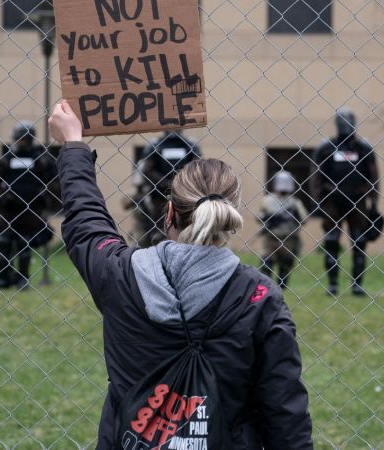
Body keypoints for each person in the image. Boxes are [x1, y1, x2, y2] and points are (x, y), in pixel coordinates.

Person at [50, 99, 312, 449]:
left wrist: (73, 145)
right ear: (227, 217)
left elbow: (87, 222)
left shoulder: (120, 275)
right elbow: (284, 413)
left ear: (169, 211)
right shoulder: (258, 296)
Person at [311, 108, 379, 297]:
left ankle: (357, 285)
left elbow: (373, 177)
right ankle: (333, 284)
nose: (346, 126)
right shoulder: (326, 147)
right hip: (333, 202)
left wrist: (374, 204)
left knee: (359, 242)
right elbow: (316, 178)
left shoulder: (364, 148)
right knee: (332, 241)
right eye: (343, 123)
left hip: (357, 201)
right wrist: (318, 202)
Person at [0, 122, 54, 289]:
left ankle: (22, 278)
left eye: (23, 139)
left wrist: (42, 197)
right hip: (8, 210)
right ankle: (2, 278)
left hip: (30, 209)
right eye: (18, 139)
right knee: (3, 243)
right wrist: (2, 198)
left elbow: (52, 180)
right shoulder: (7, 158)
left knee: (24, 244)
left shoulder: (40, 158)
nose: (20, 142)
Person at [140, 129, 202, 245]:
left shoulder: (190, 144)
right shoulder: (155, 145)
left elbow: (197, 167)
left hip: (184, 193)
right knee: (157, 225)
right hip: (159, 194)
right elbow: (146, 170)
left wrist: (178, 182)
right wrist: (169, 183)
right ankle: (156, 243)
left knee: (185, 223)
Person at [258, 170, 309, 289]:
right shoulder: (268, 200)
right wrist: (269, 218)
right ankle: (267, 286)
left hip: (288, 238)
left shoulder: (294, 202)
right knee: (267, 263)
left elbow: (303, 218)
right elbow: (260, 217)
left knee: (285, 264)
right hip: (270, 237)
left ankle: (280, 286)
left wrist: (293, 217)